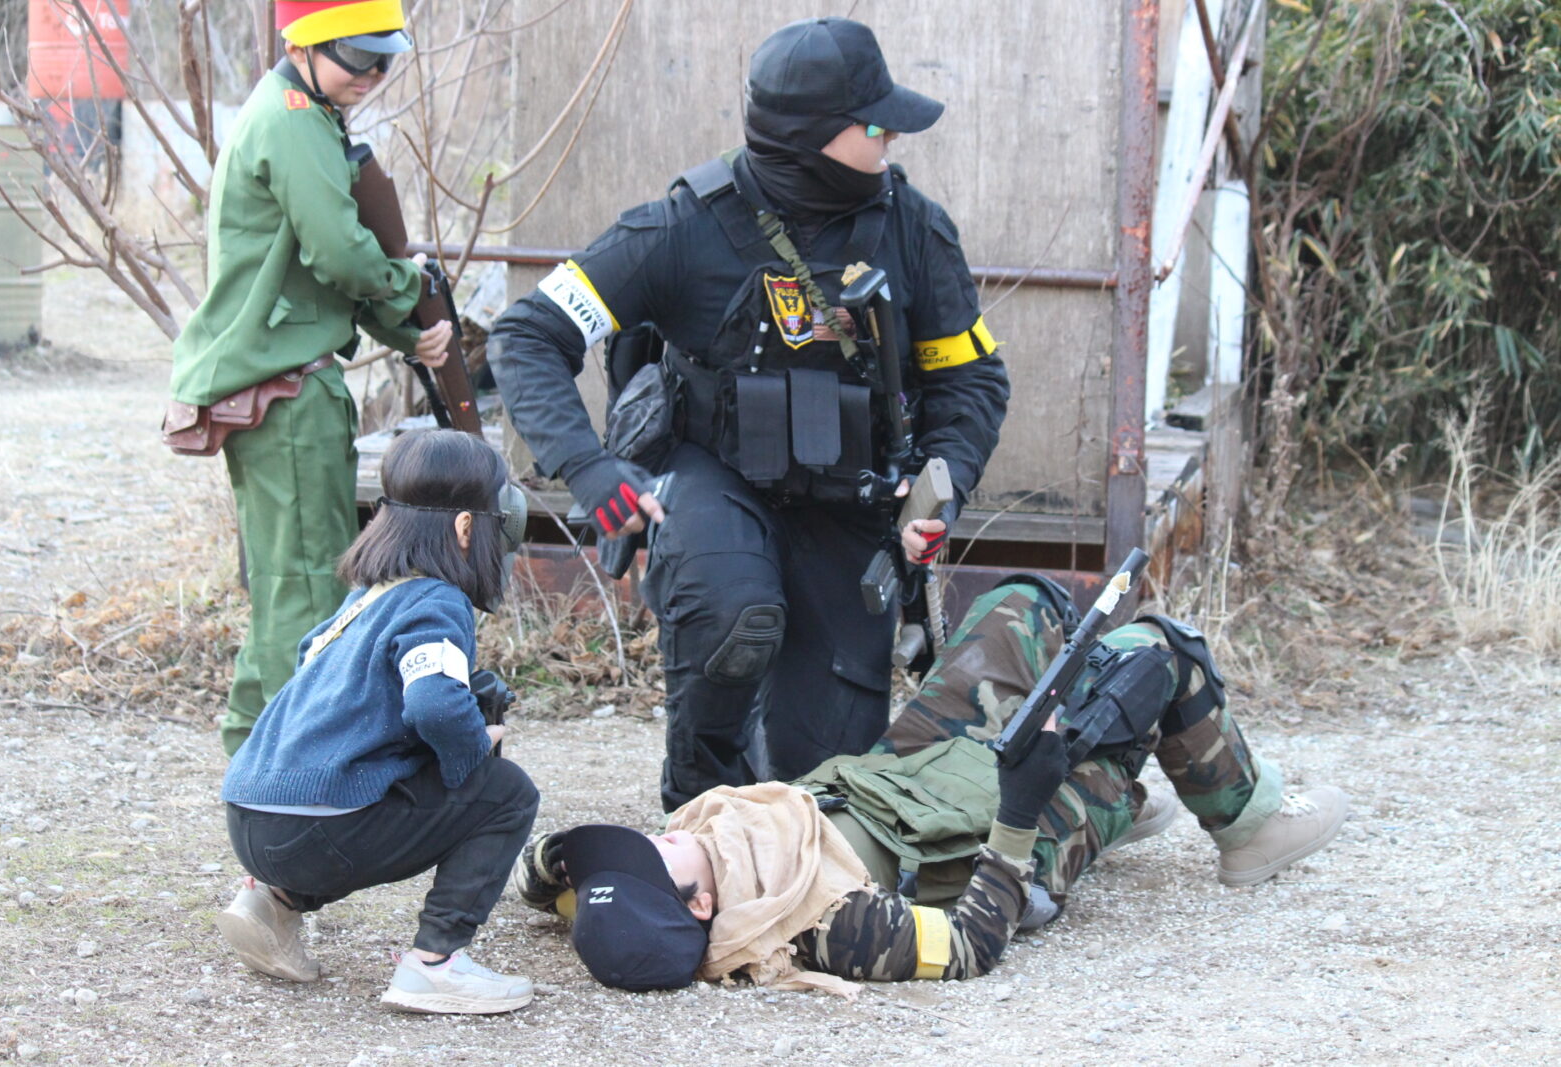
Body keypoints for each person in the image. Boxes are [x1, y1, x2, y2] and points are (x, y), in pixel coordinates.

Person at [491, 16, 1010, 810]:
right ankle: (700, 808)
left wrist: (943, 486)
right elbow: (528, 334)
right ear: (810, 137)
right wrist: (590, 468)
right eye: (875, 126)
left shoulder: (914, 230)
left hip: (851, 506)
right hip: (714, 479)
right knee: (737, 617)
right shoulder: (684, 226)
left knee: (821, 792)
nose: (892, 139)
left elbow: (971, 382)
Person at [515, 578, 1349, 994]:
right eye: (654, 857)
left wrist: (561, 862)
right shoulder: (821, 927)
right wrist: (1020, 810)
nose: (654, 836)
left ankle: (1112, 798)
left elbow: (546, 873)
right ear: (703, 906)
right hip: (990, 835)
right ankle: (1246, 823)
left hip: (897, 775)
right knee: (1156, 655)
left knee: (1020, 603)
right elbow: (973, 944)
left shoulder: (679, 866)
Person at [169, 0, 455, 757]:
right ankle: (290, 769)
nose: (375, 73)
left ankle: (253, 754)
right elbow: (339, 253)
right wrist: (410, 290)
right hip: (286, 389)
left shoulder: (302, 113)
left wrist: (406, 330)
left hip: (286, 381)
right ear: (303, 46)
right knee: (304, 590)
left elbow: (321, 268)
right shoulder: (294, 121)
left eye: (385, 56)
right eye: (358, 55)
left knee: (285, 584)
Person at [215, 429, 538, 1015]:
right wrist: (473, 748)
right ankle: (434, 966)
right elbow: (435, 704)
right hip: (313, 836)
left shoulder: (365, 597)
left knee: (362, 783)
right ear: (467, 528)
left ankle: (270, 904)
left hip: (250, 819)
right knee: (507, 794)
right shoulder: (438, 601)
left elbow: (314, 675)